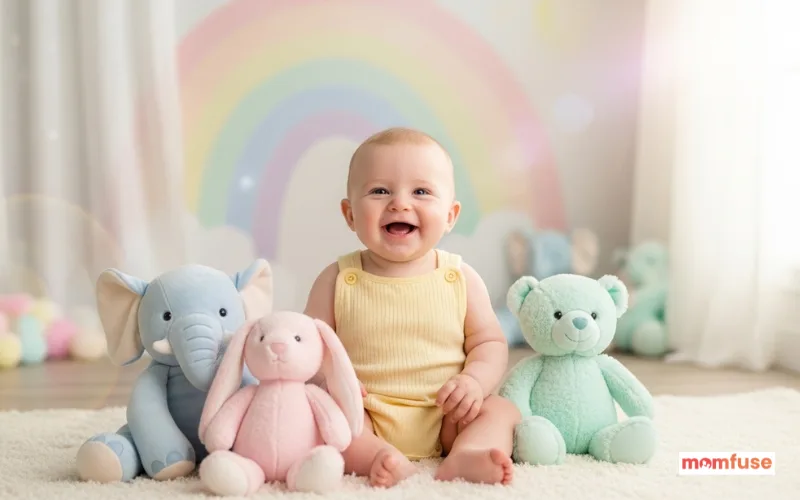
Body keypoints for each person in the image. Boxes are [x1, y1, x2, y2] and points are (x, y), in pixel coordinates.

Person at [304, 127, 521, 488]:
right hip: (366, 411)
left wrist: (473, 382)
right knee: (326, 422)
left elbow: (490, 344)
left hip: (447, 412)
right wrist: (331, 382)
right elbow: (310, 348)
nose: (400, 204)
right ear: (350, 214)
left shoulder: (460, 277)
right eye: (379, 191)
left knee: (501, 411)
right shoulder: (338, 278)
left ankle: (468, 453)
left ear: (450, 215)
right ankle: (377, 456)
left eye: (421, 191)